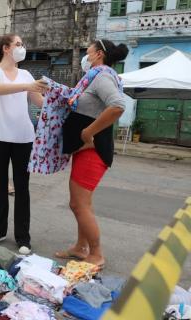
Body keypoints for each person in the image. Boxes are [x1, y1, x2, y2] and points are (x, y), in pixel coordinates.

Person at [54, 40, 129, 269]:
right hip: (87, 150)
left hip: (93, 150)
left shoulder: (102, 76)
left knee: (78, 204)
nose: (85, 57)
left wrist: (88, 132)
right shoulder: (97, 76)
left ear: (98, 54)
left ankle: (96, 253)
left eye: (87, 53)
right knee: (83, 203)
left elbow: (117, 106)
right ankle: (80, 247)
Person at [0, 34, 48, 255]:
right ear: (6, 48)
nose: (22, 48)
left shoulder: (26, 74)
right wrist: (28, 85)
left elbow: (38, 101)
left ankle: (23, 237)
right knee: (0, 185)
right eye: (18, 44)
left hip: (23, 136)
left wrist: (51, 95)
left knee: (22, 187)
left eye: (22, 44)